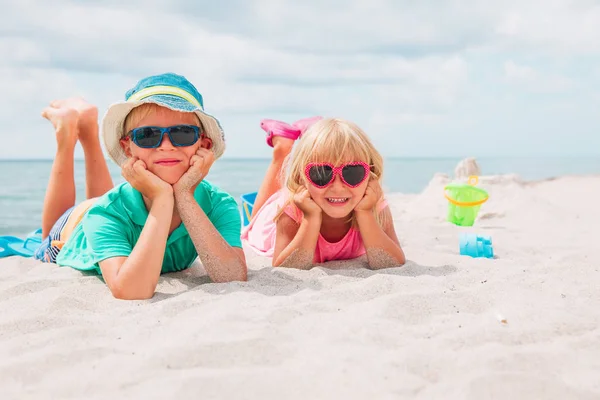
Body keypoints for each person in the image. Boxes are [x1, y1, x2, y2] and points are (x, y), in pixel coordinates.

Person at [35, 72, 247, 299]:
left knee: (107, 200)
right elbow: (131, 291)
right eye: (147, 135)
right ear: (128, 149)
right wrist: (163, 199)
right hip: (71, 229)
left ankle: (87, 128)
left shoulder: (219, 204)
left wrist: (185, 195)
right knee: (46, 239)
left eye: (183, 133)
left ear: (204, 144)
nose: (166, 146)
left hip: (117, 203)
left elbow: (232, 275)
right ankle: (66, 137)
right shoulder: (105, 213)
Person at [242, 117, 406, 270]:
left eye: (352, 172)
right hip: (275, 216)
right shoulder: (291, 209)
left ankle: (310, 134)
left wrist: (365, 213)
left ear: (371, 175)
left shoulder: (374, 205)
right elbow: (284, 268)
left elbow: (392, 262)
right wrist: (310, 218)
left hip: (318, 193)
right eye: (320, 173)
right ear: (301, 178)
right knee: (257, 216)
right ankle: (282, 149)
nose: (337, 187)